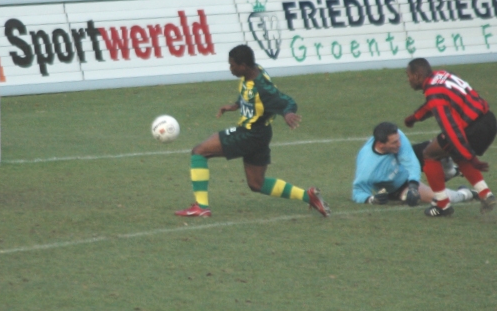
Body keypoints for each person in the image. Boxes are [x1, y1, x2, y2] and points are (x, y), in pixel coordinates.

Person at [175, 44, 330, 218]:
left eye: (232, 65)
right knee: (257, 184)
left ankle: (201, 206)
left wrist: (287, 113)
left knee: (199, 152)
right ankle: (307, 195)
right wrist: (235, 105)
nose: (230, 68)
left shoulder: (262, 88)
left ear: (243, 66)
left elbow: (287, 101)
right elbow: (247, 94)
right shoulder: (253, 73)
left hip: (249, 133)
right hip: (261, 135)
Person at [404, 58, 497, 217]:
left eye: (409, 75)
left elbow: (451, 128)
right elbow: (434, 104)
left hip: (472, 128)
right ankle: (486, 195)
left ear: (418, 76)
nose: (408, 80)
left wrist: (471, 157)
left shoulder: (433, 93)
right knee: (455, 153)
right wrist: (415, 117)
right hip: (489, 120)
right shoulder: (441, 75)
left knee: (429, 153)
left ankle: (442, 205)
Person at [352, 122, 476, 206]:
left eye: (398, 140)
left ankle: (450, 171)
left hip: (407, 161)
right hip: (399, 185)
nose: (399, 143)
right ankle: (466, 193)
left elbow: (410, 161)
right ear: (380, 144)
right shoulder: (368, 168)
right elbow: (358, 191)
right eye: (394, 142)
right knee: (439, 197)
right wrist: (372, 199)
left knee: (441, 146)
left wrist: (413, 186)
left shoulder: (397, 136)